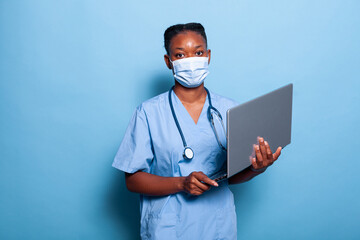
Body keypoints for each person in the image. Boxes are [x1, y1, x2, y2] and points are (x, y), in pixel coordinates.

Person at [112, 23, 282, 240]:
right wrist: (181, 183)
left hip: (217, 225)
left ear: (208, 56)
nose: (191, 60)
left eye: (198, 52)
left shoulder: (230, 110)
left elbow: (232, 176)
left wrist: (258, 168)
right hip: (168, 228)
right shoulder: (148, 113)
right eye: (180, 54)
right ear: (169, 61)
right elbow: (132, 180)